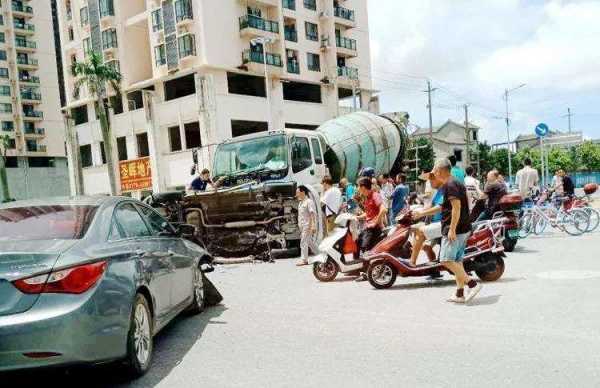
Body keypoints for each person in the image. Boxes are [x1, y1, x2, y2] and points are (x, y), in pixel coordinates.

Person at [420, 158, 481, 303]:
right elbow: (445, 206)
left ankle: (472, 284)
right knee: (457, 262)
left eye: (434, 170)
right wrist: (422, 213)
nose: (433, 173)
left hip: (456, 229)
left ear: (440, 170)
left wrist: (452, 229)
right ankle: (460, 293)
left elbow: (456, 207)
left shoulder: (450, 184)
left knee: (446, 260)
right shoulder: (454, 182)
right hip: (463, 228)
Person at [410, 172, 445, 268]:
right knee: (414, 231)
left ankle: (412, 263)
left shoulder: (444, 190)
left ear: (437, 179)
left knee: (421, 232)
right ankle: (434, 270)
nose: (429, 182)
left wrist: (421, 213)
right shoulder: (438, 191)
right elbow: (431, 206)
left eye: (431, 179)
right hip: (436, 222)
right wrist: (415, 212)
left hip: (444, 223)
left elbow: (439, 207)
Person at [356, 177, 387, 252]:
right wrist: (357, 217)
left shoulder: (374, 195)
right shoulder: (367, 197)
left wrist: (376, 222)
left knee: (365, 249)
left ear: (363, 187)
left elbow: (383, 209)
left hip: (374, 229)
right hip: (368, 227)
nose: (357, 188)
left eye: (358, 186)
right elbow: (368, 213)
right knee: (357, 242)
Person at [296, 185, 318, 267]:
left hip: (307, 225)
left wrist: (313, 225)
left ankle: (304, 260)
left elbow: (312, 214)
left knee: (303, 242)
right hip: (302, 226)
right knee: (309, 242)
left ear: (303, 192)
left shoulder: (309, 202)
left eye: (297, 192)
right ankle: (320, 254)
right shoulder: (300, 203)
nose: (297, 194)